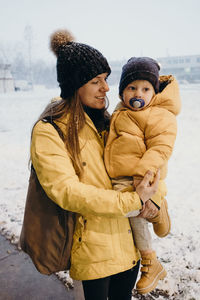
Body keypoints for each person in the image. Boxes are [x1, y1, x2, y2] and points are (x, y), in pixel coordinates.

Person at [30, 31, 160, 300]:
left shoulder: (111, 123)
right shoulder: (50, 130)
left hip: (128, 247)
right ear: (74, 85)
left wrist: (152, 201)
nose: (106, 88)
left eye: (106, 80)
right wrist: (131, 201)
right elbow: (66, 191)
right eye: (95, 81)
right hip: (92, 251)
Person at [104, 57, 181, 294]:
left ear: (154, 92)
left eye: (146, 89)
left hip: (142, 179)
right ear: (122, 92)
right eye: (132, 87)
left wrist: (141, 177)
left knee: (119, 209)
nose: (139, 93)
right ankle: (151, 262)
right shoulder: (120, 111)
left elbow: (160, 148)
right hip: (121, 179)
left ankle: (157, 208)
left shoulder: (159, 114)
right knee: (130, 218)